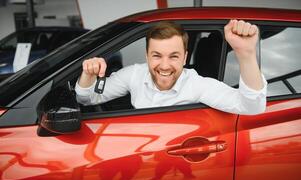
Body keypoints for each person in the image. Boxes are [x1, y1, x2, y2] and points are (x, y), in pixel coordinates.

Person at [75, 20, 267, 115]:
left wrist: (246, 54)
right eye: (157, 56)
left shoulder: (197, 85)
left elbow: (252, 106)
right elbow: (88, 98)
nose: (164, 66)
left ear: (184, 57)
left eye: (173, 56)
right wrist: (88, 75)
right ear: (147, 56)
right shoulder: (133, 74)